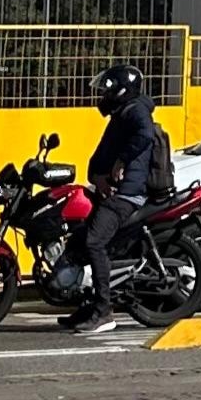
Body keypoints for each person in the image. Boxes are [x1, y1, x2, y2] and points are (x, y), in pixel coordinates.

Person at [68, 59, 158, 335]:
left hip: (126, 194)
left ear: (121, 90)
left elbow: (145, 135)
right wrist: (97, 176)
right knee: (78, 237)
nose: (104, 96)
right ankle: (87, 304)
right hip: (112, 190)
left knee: (95, 242)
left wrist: (121, 162)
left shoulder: (136, 111)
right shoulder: (122, 113)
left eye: (109, 90)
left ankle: (104, 311)